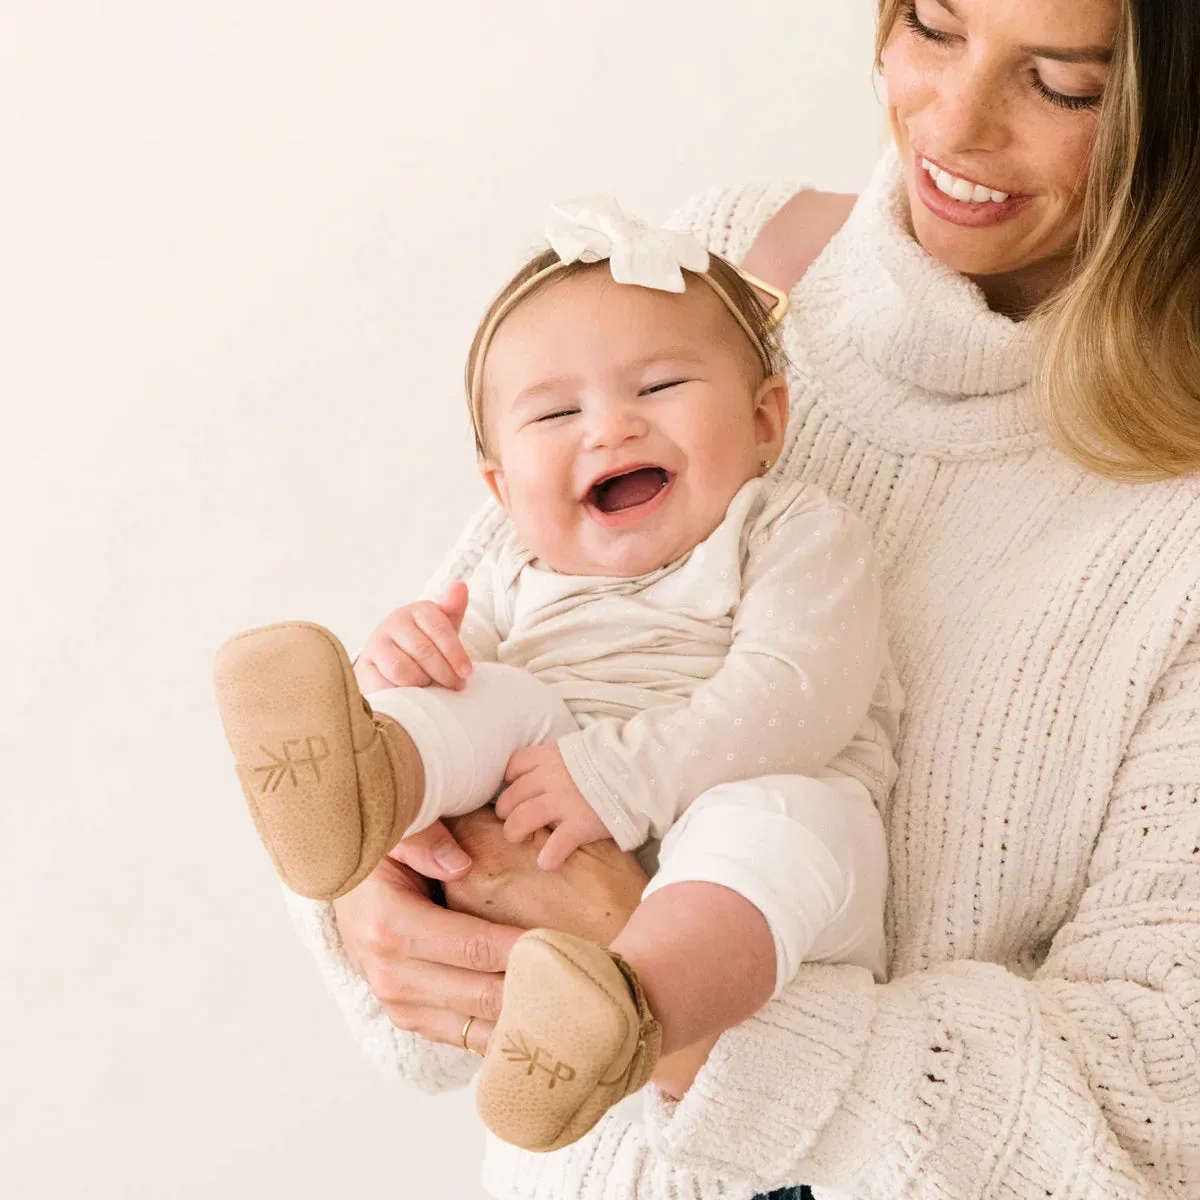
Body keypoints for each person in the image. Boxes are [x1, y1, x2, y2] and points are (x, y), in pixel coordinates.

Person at [280, 0, 1200, 1196]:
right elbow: (509, 622)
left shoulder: (1170, 522)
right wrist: (373, 884)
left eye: (1064, 85)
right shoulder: (715, 276)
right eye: (931, 25)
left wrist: (655, 984)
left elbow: (1150, 1107)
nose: (953, 121)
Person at [214, 203, 899, 1153]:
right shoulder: (509, 577)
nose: (610, 429)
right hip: (561, 804)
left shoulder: (788, 531)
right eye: (555, 412)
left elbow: (797, 699)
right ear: (501, 491)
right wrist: (401, 671)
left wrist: (618, 777)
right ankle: (367, 780)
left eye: (659, 387)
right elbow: (471, 707)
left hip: (761, 839)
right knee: (484, 696)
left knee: (783, 824)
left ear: (764, 420)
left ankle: (623, 1012)